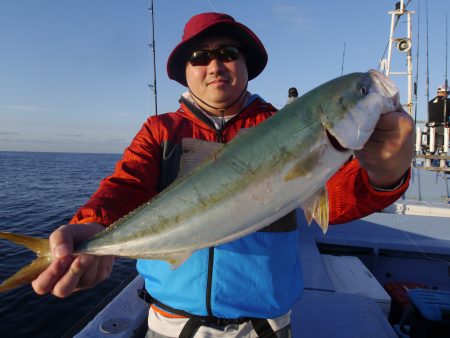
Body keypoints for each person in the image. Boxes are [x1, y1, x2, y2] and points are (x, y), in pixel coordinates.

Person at [31, 12, 415, 338]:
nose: (215, 65)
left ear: (246, 65)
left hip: (263, 328)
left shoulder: (285, 126)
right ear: (186, 73)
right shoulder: (162, 131)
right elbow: (125, 186)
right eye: (200, 57)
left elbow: (337, 195)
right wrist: (95, 224)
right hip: (169, 326)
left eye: (228, 53)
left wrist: (385, 171)